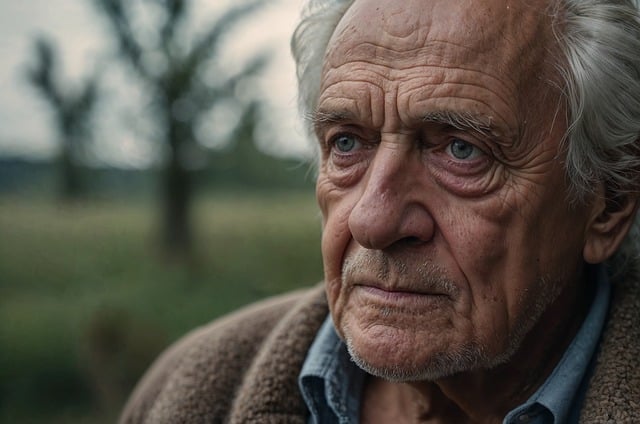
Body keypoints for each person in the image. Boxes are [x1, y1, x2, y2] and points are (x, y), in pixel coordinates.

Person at [120, 0, 640, 422]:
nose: (372, 221)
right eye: (346, 143)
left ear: (610, 201)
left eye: (462, 150)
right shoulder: (190, 392)